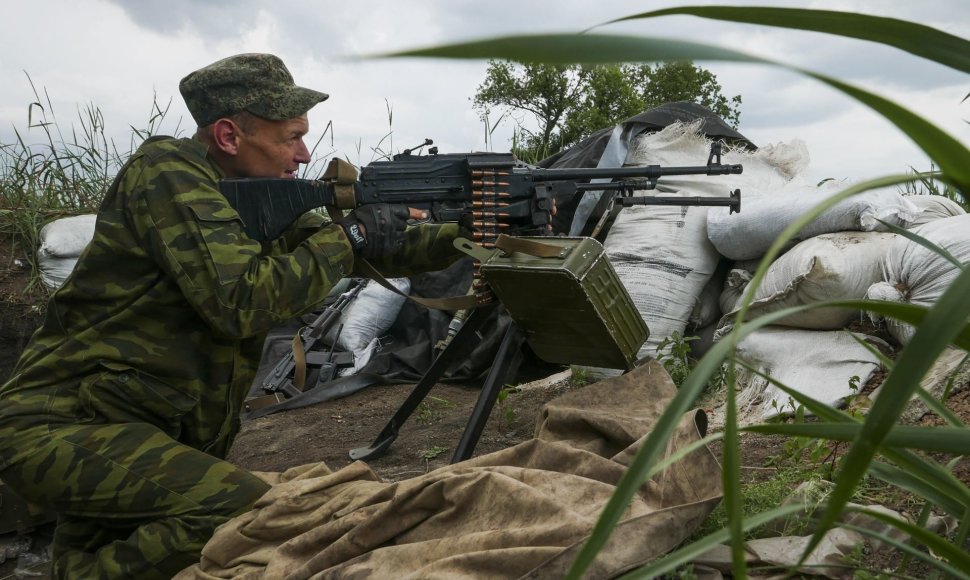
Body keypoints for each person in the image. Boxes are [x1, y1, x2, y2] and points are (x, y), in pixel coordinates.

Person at [0, 53, 463, 579]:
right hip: (63, 426)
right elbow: (242, 301)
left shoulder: (246, 206)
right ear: (227, 137)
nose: (304, 153)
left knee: (103, 551)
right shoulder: (167, 172)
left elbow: (368, 250)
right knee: (234, 510)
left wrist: (473, 231)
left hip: (138, 428)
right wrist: (350, 233)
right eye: (291, 136)